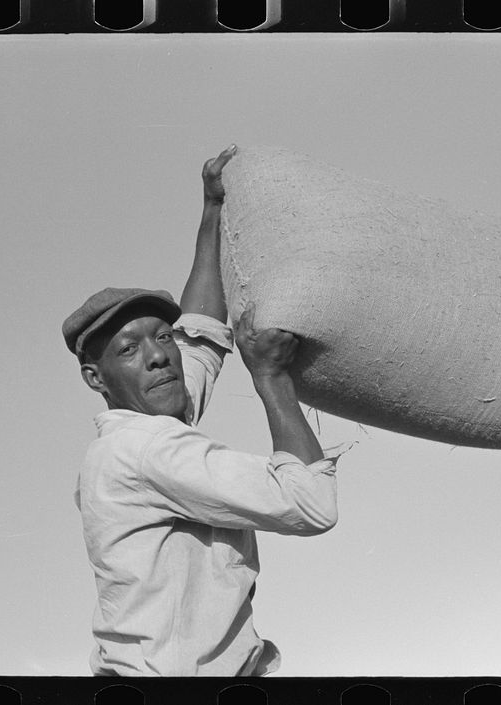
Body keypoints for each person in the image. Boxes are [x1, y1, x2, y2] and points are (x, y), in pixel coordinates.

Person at [62, 145, 348, 676]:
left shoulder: (154, 414)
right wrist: (271, 375)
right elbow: (310, 503)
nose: (157, 355)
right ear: (95, 378)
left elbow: (201, 333)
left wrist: (212, 210)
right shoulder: (145, 448)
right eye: (129, 349)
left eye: (160, 336)